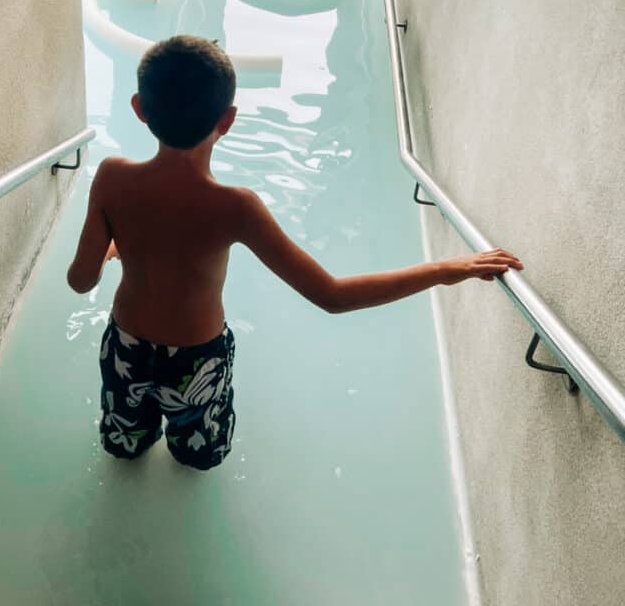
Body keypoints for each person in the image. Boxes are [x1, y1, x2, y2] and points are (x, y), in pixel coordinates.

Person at [68, 35, 522, 471]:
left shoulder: (112, 178)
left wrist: (116, 242)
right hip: (196, 364)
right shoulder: (236, 207)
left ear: (139, 110)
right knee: (196, 459)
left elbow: (80, 281)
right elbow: (332, 295)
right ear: (227, 120)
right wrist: (446, 269)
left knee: (125, 449)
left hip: (125, 349)